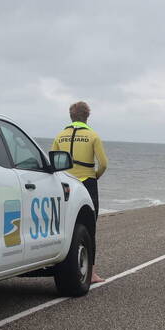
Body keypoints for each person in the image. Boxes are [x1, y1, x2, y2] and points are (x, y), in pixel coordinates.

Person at [50, 101, 108, 283]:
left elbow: (52, 160)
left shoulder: (60, 135)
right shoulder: (93, 136)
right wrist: (95, 176)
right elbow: (103, 163)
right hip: (86, 183)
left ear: (71, 116)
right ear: (87, 116)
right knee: (89, 229)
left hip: (65, 184)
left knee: (66, 226)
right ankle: (91, 273)